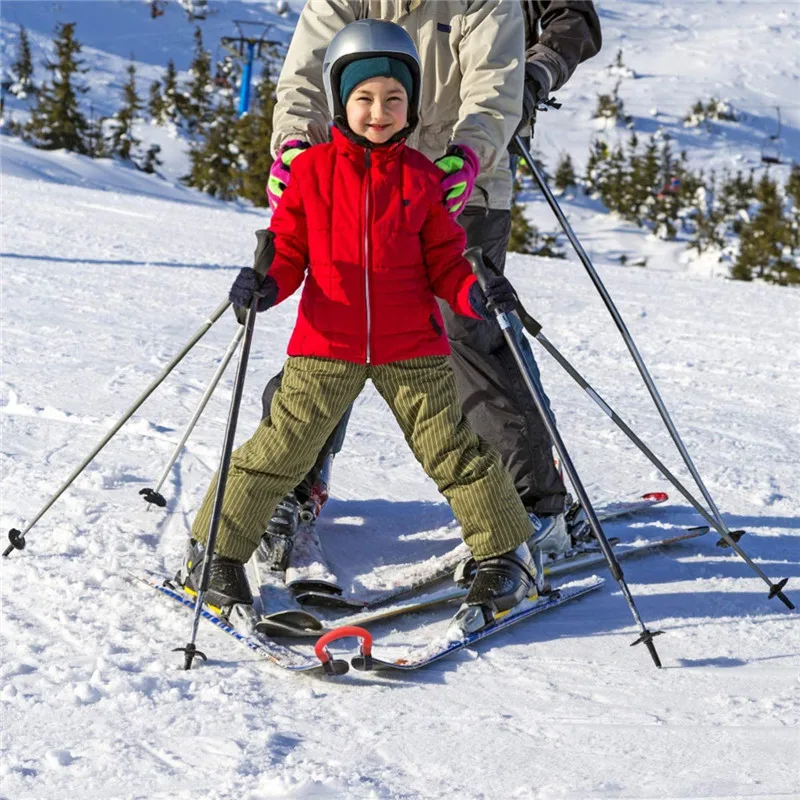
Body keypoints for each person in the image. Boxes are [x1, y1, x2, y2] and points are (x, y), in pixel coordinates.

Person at [181, 21, 540, 634]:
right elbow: (290, 251)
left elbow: (446, 263)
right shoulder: (313, 174)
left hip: (413, 350)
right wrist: (266, 283)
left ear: (413, 104)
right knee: (276, 454)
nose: (380, 112)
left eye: (395, 99)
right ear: (340, 100)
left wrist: (475, 292)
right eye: (365, 98)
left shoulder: (425, 180)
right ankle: (214, 553)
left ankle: (507, 553)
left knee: (455, 453)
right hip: (326, 346)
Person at [260, 0, 602, 565]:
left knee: (468, 334)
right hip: (356, 185)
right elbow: (306, 77)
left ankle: (533, 503)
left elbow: (494, 86)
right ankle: (286, 486)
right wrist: (295, 146)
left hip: (458, 185)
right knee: (336, 330)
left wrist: (468, 157)